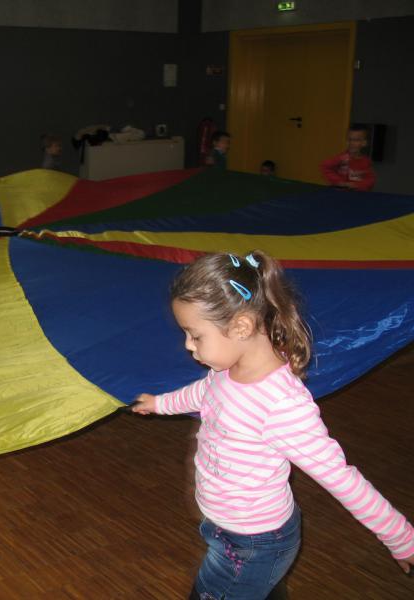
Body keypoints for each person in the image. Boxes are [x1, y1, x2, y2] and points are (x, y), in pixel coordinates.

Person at [132, 250, 414, 600]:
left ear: (241, 327)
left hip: (253, 544)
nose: (188, 346)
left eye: (195, 335)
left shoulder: (281, 405)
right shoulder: (226, 371)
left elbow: (341, 478)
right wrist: (160, 404)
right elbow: (202, 393)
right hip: (226, 529)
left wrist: (402, 538)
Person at [320, 124, 376, 191]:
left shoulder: (366, 162)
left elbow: (370, 180)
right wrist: (340, 182)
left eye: (356, 140)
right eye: (349, 139)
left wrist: (356, 185)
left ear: (364, 143)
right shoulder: (342, 158)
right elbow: (325, 166)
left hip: (358, 194)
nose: (351, 143)